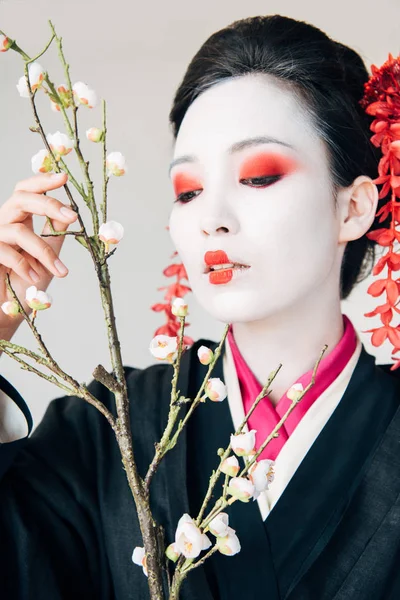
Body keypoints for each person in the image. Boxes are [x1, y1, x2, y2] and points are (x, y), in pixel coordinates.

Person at [0, 13, 399, 600]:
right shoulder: (112, 430)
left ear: (354, 208)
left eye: (259, 176)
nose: (212, 216)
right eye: (188, 190)